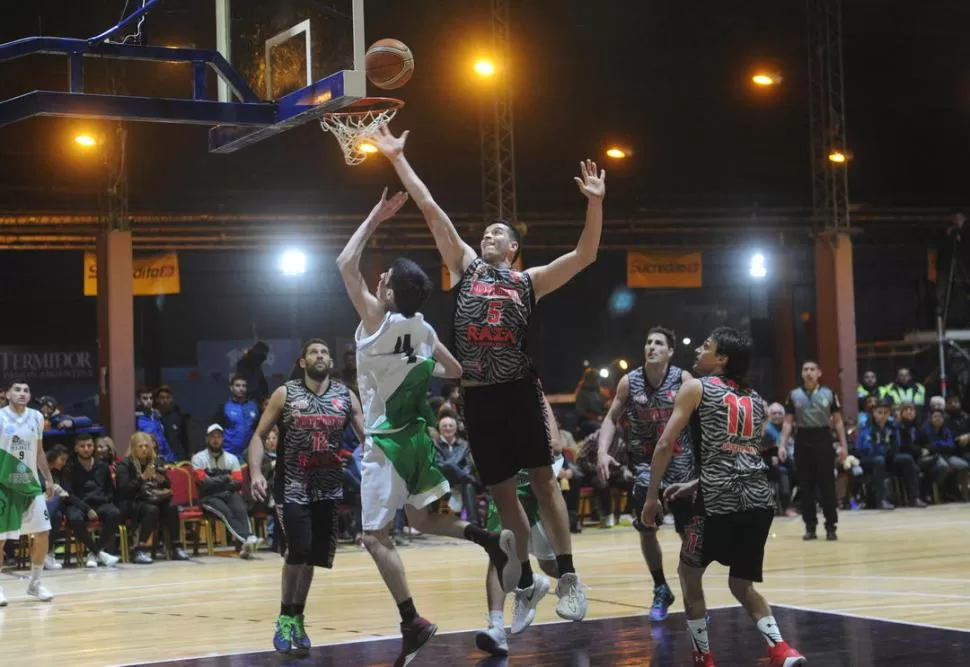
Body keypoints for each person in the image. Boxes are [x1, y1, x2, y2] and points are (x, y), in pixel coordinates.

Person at [376, 125, 605, 621]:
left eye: (499, 232)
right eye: (486, 231)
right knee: (503, 498)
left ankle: (568, 577)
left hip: (519, 390)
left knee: (544, 482)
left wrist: (594, 203)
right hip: (478, 398)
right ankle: (525, 583)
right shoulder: (466, 266)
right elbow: (429, 206)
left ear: (515, 247)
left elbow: (586, 255)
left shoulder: (529, 281)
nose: (488, 234)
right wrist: (397, 159)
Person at [334, 188, 521, 666]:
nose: (378, 280)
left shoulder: (377, 320)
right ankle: (486, 540)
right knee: (420, 518)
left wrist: (376, 213)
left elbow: (343, 264)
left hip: (387, 445)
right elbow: (455, 370)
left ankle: (411, 621)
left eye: (386, 279)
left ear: (390, 293)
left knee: (375, 537)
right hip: (419, 440)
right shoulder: (423, 330)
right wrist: (423, 368)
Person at [641, 327, 806, 667]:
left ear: (722, 359)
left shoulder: (695, 387)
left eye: (705, 346)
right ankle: (781, 650)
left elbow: (664, 444)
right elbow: (739, 455)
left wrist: (651, 496)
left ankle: (703, 656)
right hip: (759, 501)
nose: (697, 350)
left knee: (688, 574)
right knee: (741, 584)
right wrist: (692, 485)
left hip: (719, 501)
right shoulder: (757, 399)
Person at [249, 339, 361, 656]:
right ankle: (285, 617)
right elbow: (258, 437)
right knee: (297, 550)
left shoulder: (345, 395)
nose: (320, 356)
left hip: (328, 487)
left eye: (325, 351)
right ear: (303, 362)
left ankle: (298, 616)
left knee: (312, 556)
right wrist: (256, 473)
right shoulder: (286, 393)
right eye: (314, 352)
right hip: (293, 485)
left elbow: (368, 438)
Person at [596, 326, 696, 622]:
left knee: (687, 535)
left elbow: (702, 422)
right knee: (646, 528)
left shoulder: (684, 380)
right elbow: (611, 419)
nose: (651, 346)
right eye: (648, 341)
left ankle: (692, 592)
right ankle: (660, 587)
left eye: (659, 343)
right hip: (645, 469)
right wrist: (603, 451)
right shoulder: (630, 382)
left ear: (670, 351)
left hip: (681, 467)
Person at [476, 396, 563, 657]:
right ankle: (496, 628)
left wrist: (547, 437)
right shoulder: (479, 395)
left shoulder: (527, 388)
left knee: (549, 564)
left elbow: (555, 443)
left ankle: (569, 581)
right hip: (505, 485)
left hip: (535, 486)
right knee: (498, 555)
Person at [779, 360, 848, 541]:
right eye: (805, 369)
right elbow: (787, 422)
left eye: (812, 369)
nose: (809, 372)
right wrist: (782, 445)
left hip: (823, 439)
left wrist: (843, 446)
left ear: (819, 373)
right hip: (803, 440)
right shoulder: (794, 395)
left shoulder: (829, 393)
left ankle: (831, 526)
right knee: (806, 485)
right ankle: (810, 527)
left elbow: (838, 421)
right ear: (802, 373)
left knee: (827, 485)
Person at [0, 380, 55, 605]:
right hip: (4, 485)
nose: (22, 393)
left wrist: (49, 479)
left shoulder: (37, 417)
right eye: (17, 390)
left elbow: (40, 451)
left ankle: (35, 583)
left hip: (30, 484)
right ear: (7, 394)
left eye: (26, 390)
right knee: (0, 541)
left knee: (43, 533)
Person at [116, 432, 189, 563]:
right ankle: (139, 549)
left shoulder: (156, 462)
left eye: (146, 446)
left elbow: (167, 485)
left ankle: (176, 547)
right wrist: (143, 477)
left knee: (172, 507)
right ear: (133, 448)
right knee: (151, 510)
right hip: (133, 501)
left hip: (154, 498)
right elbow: (124, 490)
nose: (144, 449)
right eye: (140, 446)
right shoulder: (125, 465)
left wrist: (162, 480)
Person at [63, 433, 123, 569]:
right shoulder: (70, 467)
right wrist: (87, 509)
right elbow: (68, 494)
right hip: (78, 504)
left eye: (89, 445)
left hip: (99, 503)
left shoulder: (102, 466)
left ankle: (94, 553)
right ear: (76, 448)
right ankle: (99, 553)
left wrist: (106, 502)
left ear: (93, 447)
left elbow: (109, 490)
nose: (86, 449)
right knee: (74, 518)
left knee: (115, 513)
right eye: (82, 446)